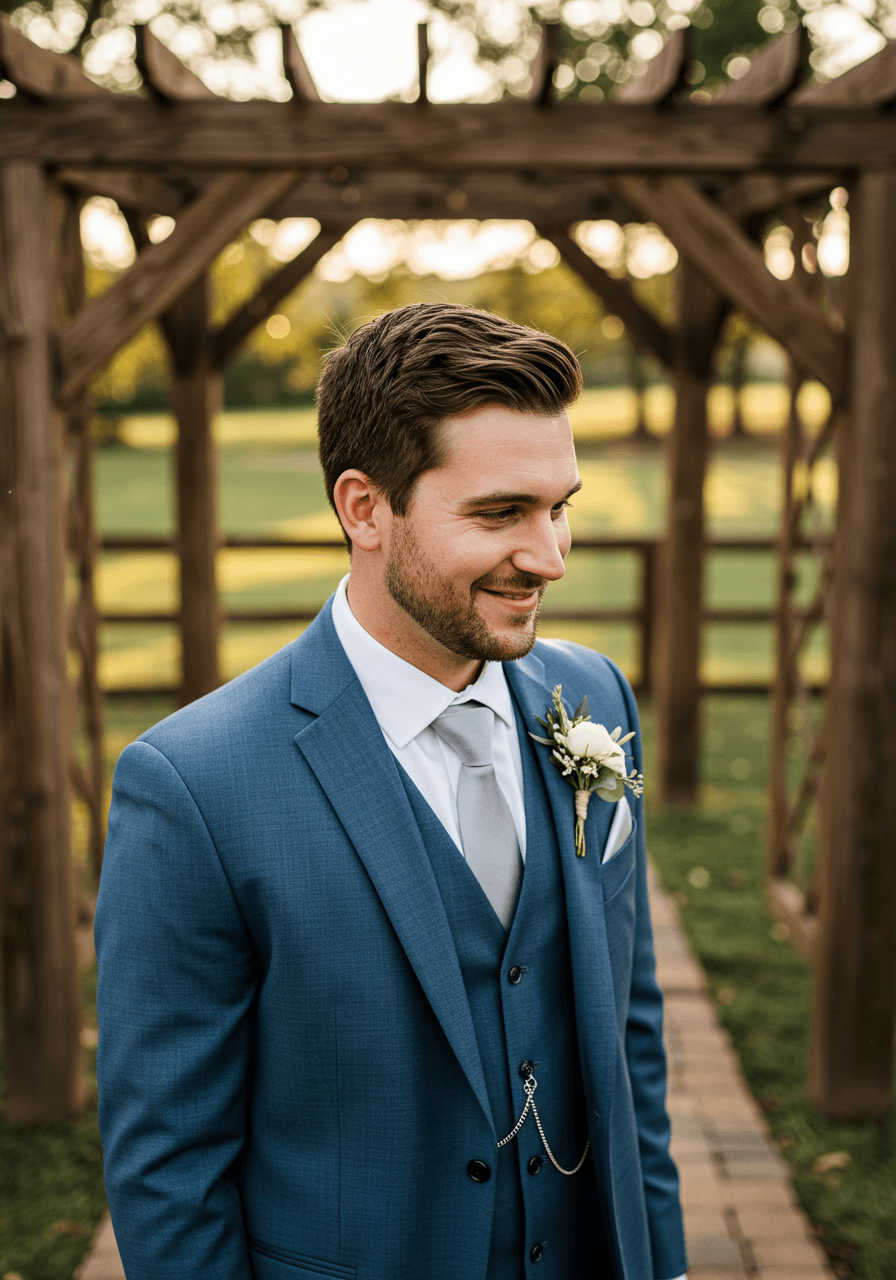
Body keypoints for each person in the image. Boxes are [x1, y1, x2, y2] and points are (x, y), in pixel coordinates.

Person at [96, 302, 688, 1280]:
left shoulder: (591, 694)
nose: (548, 554)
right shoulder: (193, 784)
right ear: (364, 507)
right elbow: (168, 1165)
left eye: (559, 504)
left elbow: (630, 1045)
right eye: (499, 512)